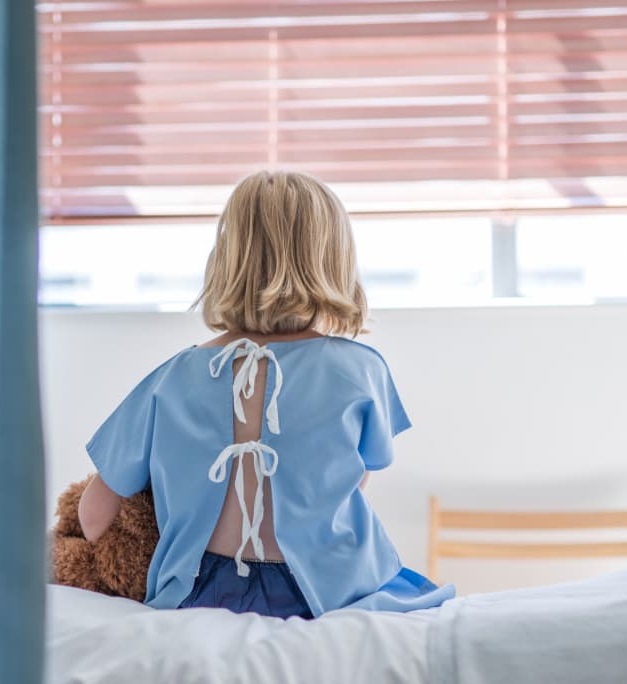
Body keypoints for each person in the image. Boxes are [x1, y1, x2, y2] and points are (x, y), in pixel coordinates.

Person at [78, 170, 453, 619]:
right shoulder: (361, 369)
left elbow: (94, 516)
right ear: (334, 260)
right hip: (329, 590)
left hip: (198, 594)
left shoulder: (171, 378)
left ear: (226, 259)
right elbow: (351, 479)